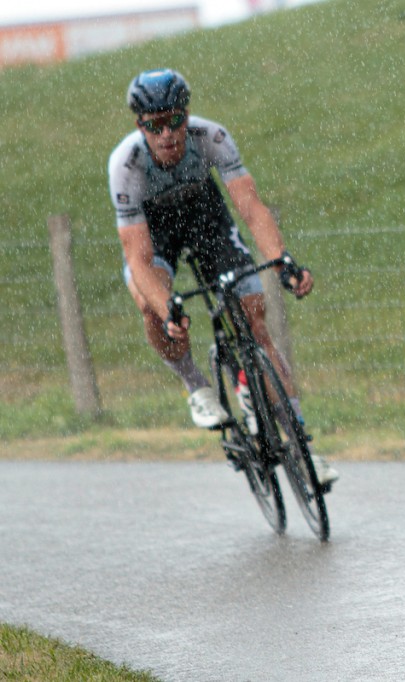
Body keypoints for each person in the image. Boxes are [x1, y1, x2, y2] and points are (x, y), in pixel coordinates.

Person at [108, 68, 338, 487]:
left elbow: (250, 208)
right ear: (140, 126)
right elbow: (139, 261)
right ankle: (196, 386)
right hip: (155, 237)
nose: (167, 134)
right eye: (155, 125)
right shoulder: (127, 166)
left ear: (187, 115)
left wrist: (281, 259)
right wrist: (168, 308)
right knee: (149, 304)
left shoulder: (210, 138)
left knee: (255, 322)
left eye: (175, 120)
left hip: (206, 220)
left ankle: (302, 446)